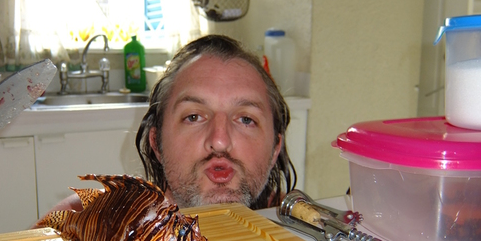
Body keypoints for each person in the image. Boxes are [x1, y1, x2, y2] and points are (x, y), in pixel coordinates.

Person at [44, 34, 296, 215]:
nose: (220, 140)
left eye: (246, 119)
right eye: (194, 117)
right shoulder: (82, 218)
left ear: (275, 148)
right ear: (157, 143)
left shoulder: (297, 224)